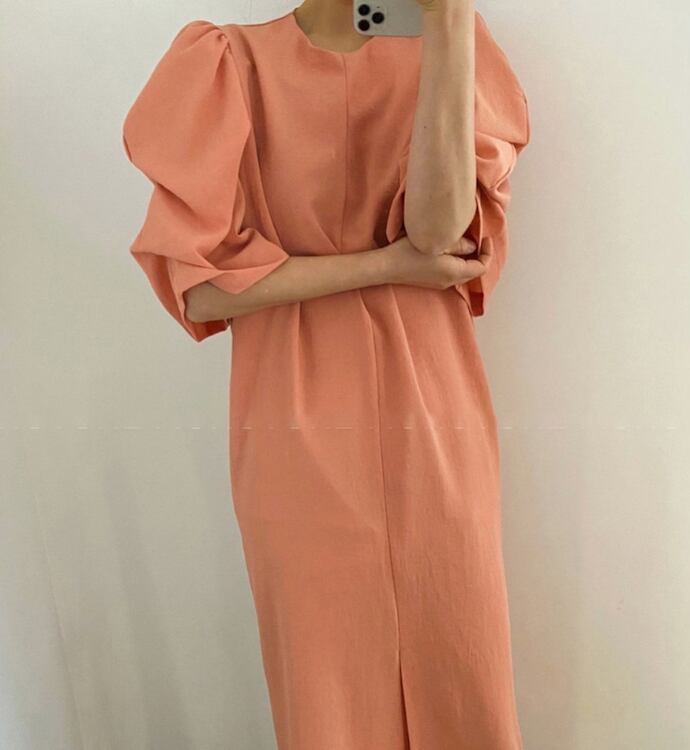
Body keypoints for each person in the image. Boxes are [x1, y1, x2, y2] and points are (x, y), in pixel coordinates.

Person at [122, 0, 530, 747]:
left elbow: (438, 229)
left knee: (459, 658)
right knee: (327, 687)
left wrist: (448, 22)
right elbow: (201, 288)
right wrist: (385, 266)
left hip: (432, 410)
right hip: (294, 419)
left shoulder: (453, 42)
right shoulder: (228, 65)